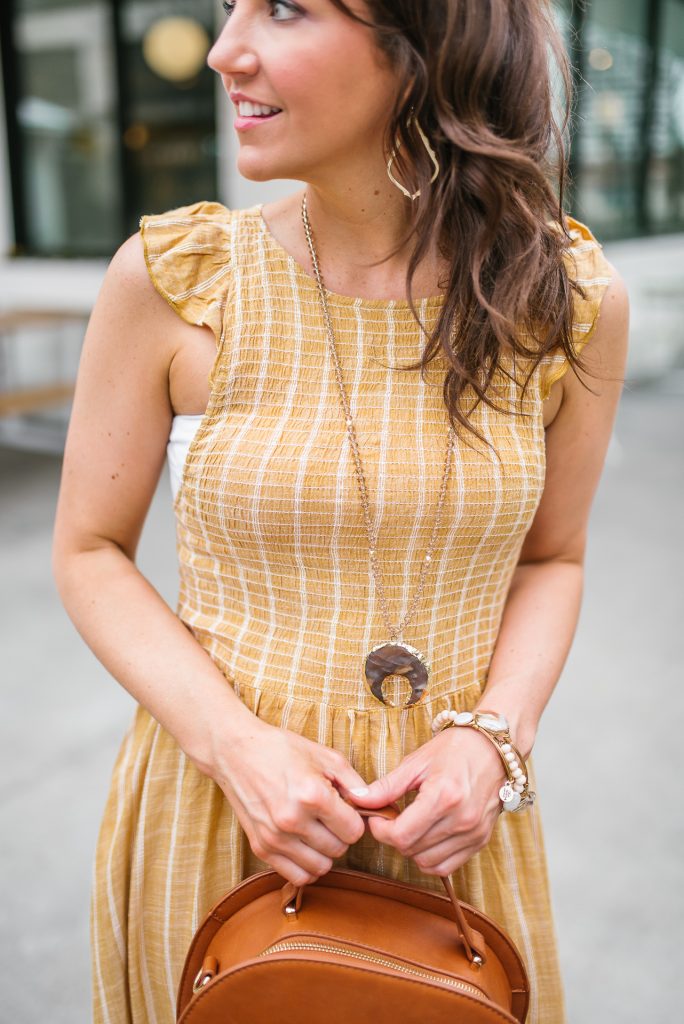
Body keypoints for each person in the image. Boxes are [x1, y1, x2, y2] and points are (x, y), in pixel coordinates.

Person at [52, 1, 629, 1022]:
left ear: (428, 46)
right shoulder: (178, 280)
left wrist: (493, 740)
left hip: (449, 837)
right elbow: (90, 551)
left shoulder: (563, 298)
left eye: (283, 9)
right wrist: (235, 745)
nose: (226, 50)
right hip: (223, 819)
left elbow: (555, 560)